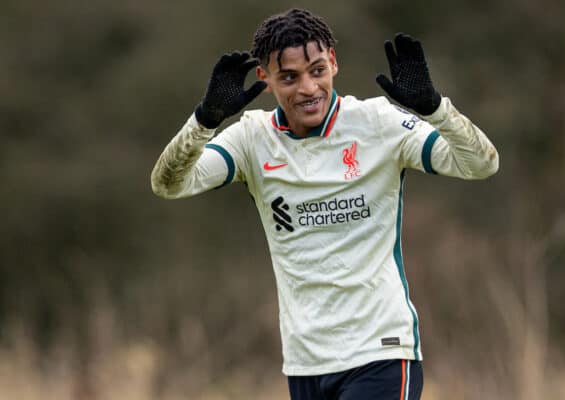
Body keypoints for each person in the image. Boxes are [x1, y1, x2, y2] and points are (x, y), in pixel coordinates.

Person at [151, 8, 498, 400]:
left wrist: (436, 108)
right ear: (264, 79)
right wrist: (205, 120)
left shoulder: (378, 123)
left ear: (333, 62)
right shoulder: (251, 139)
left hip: (380, 352)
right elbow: (169, 185)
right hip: (306, 363)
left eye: (317, 70)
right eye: (289, 77)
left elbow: (481, 164)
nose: (308, 88)